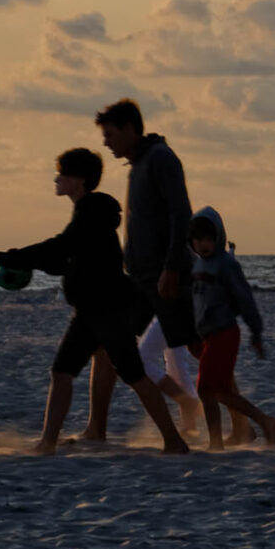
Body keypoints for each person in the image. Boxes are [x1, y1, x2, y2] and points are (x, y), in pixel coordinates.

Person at [0, 146, 189, 455]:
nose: (56, 181)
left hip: (108, 310)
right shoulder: (87, 213)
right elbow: (66, 260)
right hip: (89, 311)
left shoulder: (91, 212)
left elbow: (60, 246)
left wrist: (7, 256)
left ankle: (174, 441)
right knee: (62, 372)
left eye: (61, 175)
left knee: (134, 375)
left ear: (77, 180)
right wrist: (26, 263)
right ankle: (47, 442)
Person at [91, 100, 198, 442]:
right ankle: (97, 428)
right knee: (107, 345)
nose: (106, 142)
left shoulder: (160, 159)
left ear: (128, 128)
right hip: (139, 280)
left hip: (165, 278)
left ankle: (242, 422)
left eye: (109, 134)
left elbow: (182, 215)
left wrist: (171, 268)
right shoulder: (138, 164)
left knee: (199, 348)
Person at [187, 210, 275, 449]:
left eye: (209, 238)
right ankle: (234, 434)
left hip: (225, 334)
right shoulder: (199, 264)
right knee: (213, 390)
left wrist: (256, 333)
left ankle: (254, 425)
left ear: (218, 237)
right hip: (208, 336)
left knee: (209, 389)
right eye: (198, 239)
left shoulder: (227, 264)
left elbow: (245, 300)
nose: (204, 244)